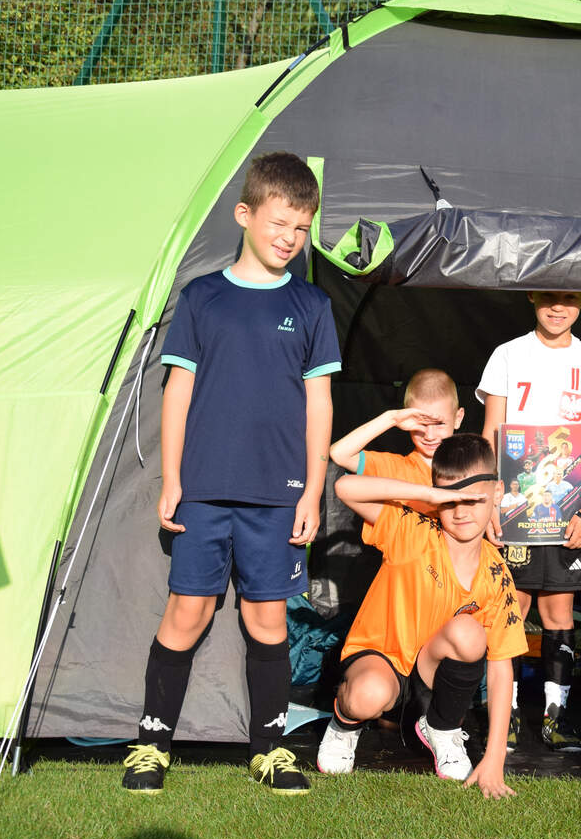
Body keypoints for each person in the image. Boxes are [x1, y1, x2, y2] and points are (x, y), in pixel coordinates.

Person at [121, 151, 340, 795]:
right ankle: (151, 744)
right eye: (278, 223)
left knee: (267, 622)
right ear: (245, 214)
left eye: (301, 229)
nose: (289, 238)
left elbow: (319, 405)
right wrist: (172, 480)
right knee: (186, 612)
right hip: (204, 494)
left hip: (278, 499)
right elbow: (178, 393)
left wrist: (313, 491)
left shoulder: (312, 304)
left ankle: (270, 750)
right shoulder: (202, 298)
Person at [316, 434, 526, 799]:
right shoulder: (412, 531)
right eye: (450, 499)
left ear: (497, 493)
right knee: (367, 695)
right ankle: (343, 725)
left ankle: (441, 728)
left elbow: (501, 668)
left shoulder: (496, 573)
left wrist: (494, 758)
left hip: (430, 676)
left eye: (472, 499)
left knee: (470, 633)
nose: (460, 511)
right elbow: (345, 487)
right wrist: (427, 495)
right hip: (383, 661)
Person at [477, 290, 581, 751]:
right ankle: (505, 715)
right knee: (511, 609)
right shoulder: (507, 355)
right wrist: (490, 501)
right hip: (514, 511)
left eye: (570, 297)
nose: (558, 307)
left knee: (559, 613)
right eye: (548, 296)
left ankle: (555, 717)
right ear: (531, 295)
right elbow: (492, 433)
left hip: (568, 513)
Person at [329, 367, 463, 513]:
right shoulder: (394, 468)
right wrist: (392, 418)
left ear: (458, 418)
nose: (429, 436)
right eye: (421, 424)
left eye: (439, 424)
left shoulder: (470, 468)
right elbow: (339, 454)